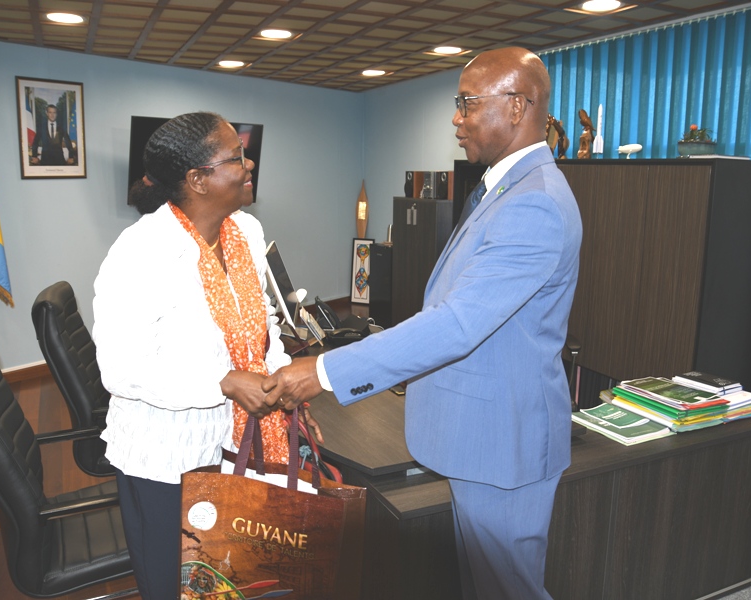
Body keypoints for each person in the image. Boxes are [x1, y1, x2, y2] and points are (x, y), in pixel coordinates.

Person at [263, 47, 582, 599]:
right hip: (481, 436)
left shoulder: (535, 203)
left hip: (501, 441)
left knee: (508, 590)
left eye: (467, 103)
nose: (456, 119)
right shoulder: (504, 188)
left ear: (516, 106)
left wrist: (326, 370)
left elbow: (457, 324)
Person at [92, 112, 308, 599]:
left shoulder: (246, 230)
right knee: (173, 584)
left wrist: (282, 382)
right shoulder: (141, 251)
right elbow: (122, 368)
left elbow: (263, 325)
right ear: (197, 180)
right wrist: (223, 381)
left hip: (237, 443)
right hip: (168, 459)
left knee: (229, 579)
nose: (249, 164)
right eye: (236, 157)